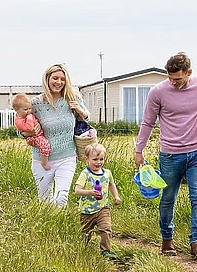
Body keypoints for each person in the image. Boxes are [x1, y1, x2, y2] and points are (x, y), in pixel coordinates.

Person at [134, 52, 197, 260]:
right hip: (170, 154)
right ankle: (167, 240)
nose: (173, 82)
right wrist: (139, 150)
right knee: (168, 198)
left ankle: (196, 242)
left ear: (189, 72)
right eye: (170, 78)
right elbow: (148, 122)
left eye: (178, 78)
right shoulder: (157, 92)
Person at [20, 63, 90, 207]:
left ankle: (60, 226)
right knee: (45, 202)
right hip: (41, 161)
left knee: (61, 198)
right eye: (55, 78)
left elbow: (86, 118)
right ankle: (49, 227)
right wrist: (30, 132)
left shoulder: (72, 98)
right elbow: (19, 130)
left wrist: (79, 110)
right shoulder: (35, 104)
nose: (59, 82)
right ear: (47, 79)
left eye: (62, 79)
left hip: (67, 157)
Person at [74, 143, 121, 258]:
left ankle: (105, 251)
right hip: (87, 210)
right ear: (87, 159)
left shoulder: (107, 173)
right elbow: (77, 190)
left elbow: (111, 184)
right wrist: (90, 192)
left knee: (106, 229)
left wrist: (116, 196)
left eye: (101, 159)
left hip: (102, 208)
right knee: (85, 233)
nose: (98, 162)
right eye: (95, 159)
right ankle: (81, 249)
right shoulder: (85, 174)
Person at [12, 93, 51, 170]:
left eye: (30, 108)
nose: (29, 111)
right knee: (45, 145)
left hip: (38, 135)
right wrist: (30, 117)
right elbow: (30, 128)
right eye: (26, 109)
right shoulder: (19, 120)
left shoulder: (25, 115)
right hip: (33, 137)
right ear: (16, 110)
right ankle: (44, 162)